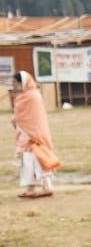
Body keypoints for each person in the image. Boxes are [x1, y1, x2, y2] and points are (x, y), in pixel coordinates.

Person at [11, 71, 60, 199]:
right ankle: (31, 188)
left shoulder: (31, 96)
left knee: (39, 159)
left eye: (17, 83)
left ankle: (47, 186)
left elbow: (29, 116)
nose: (15, 86)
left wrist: (17, 120)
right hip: (26, 133)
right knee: (28, 161)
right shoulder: (25, 96)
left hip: (33, 133)